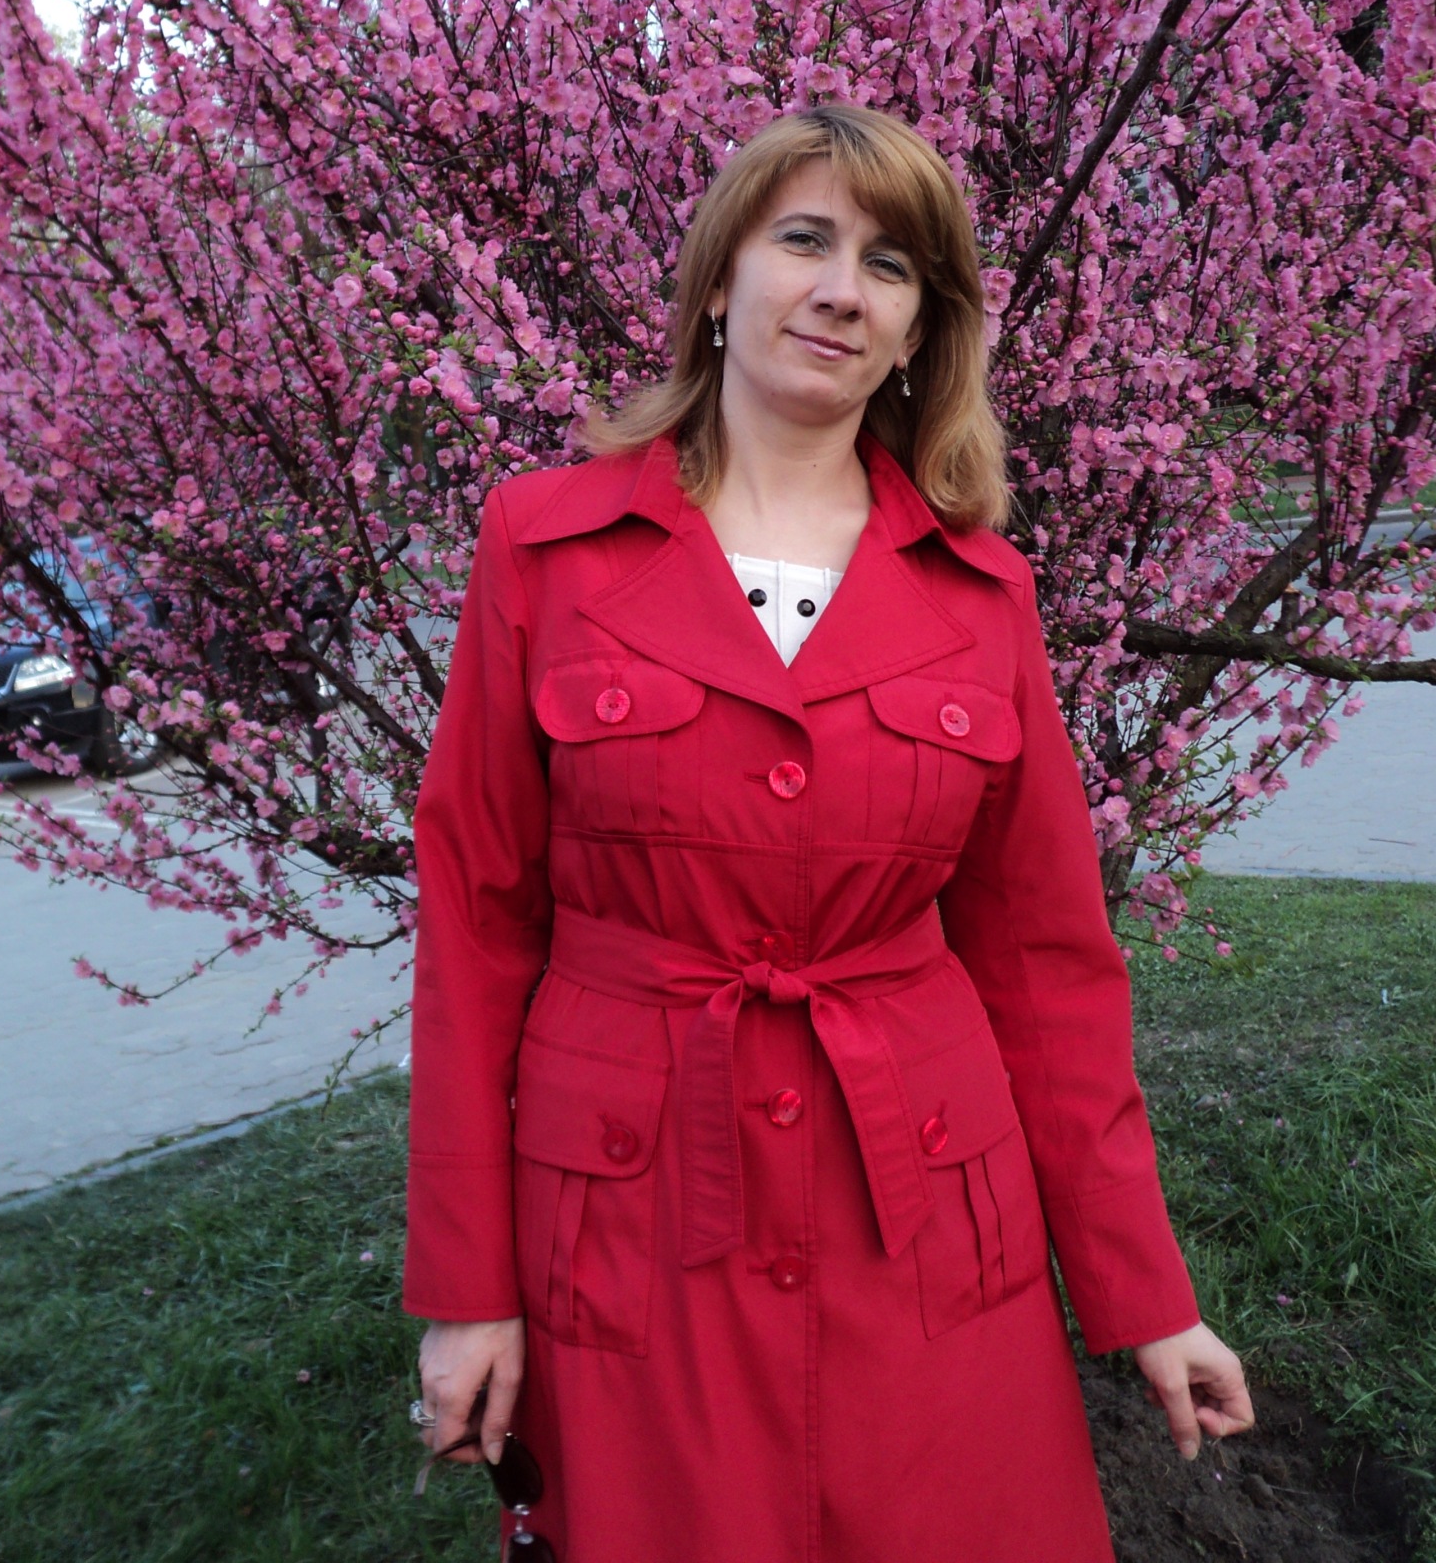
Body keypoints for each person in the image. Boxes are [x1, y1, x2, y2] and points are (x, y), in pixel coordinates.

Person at [403, 103, 1253, 1562]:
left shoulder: (982, 596)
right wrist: (469, 1289)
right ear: (718, 282)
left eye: (891, 265)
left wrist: (1146, 1294)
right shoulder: (542, 548)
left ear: (919, 332)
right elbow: (477, 929)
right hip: (629, 1219)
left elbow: (1048, 964)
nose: (843, 290)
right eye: (804, 240)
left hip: (926, 1223)